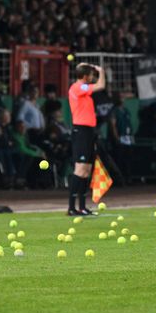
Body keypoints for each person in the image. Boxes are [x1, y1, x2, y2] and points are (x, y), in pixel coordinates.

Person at [67, 63, 105, 215]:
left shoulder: (82, 89)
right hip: (81, 131)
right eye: (90, 75)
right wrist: (101, 71)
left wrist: (87, 65)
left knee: (87, 170)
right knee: (80, 169)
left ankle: (82, 206)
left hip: (88, 131)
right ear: (85, 76)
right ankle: (71, 207)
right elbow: (100, 86)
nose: (92, 78)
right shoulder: (78, 87)